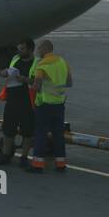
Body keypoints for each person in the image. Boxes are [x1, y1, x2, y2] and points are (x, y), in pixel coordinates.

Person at [25, 39, 72, 174]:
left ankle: (37, 165)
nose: (37, 51)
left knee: (40, 134)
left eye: (39, 48)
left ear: (45, 49)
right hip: (59, 104)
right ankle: (61, 164)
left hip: (44, 105)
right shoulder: (63, 62)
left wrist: (29, 82)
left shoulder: (42, 65)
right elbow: (69, 82)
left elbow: (37, 86)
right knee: (58, 134)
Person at [0, 38, 35, 167]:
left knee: (27, 130)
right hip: (12, 99)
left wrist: (25, 79)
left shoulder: (37, 63)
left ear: (30, 49)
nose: (19, 51)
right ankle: (5, 155)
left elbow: (38, 82)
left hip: (28, 101)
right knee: (8, 128)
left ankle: (24, 157)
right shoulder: (15, 59)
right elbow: (4, 71)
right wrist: (3, 73)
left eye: (22, 49)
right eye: (19, 49)